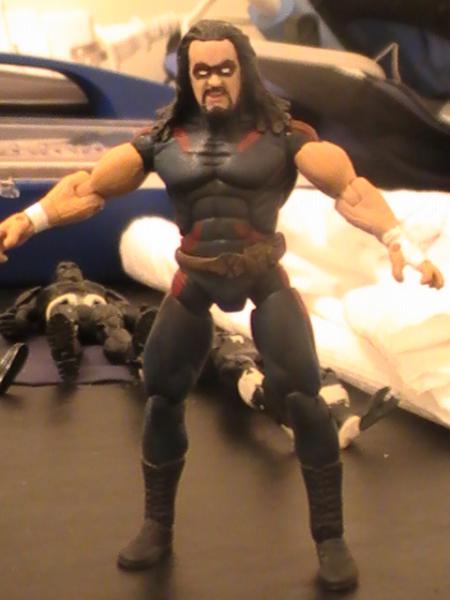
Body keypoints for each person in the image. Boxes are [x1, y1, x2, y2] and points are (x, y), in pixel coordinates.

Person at [0, 19, 443, 592]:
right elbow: (90, 186)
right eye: (202, 70)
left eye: (225, 68)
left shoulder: (284, 138)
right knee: (162, 396)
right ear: (188, 77)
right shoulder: (162, 141)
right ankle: (157, 525)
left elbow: (350, 188)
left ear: (245, 72)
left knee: (306, 400)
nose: (213, 80)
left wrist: (397, 239)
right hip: (195, 280)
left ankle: (330, 536)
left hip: (264, 278)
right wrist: (30, 219)